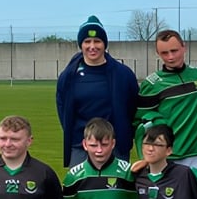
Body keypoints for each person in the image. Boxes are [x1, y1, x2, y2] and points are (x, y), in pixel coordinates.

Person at [56, 15, 138, 167]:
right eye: (87, 42)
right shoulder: (68, 76)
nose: (92, 46)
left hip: (115, 146)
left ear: (104, 44)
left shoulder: (123, 74)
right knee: (81, 189)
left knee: (117, 189)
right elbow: (63, 109)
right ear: (81, 45)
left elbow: (133, 107)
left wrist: (123, 133)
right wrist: (79, 137)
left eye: (97, 41)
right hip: (81, 146)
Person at [135, 29, 197, 168]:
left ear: (184, 48)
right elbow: (140, 124)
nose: (170, 57)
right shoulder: (151, 85)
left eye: (174, 50)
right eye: (164, 53)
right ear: (158, 54)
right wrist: (145, 157)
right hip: (169, 157)